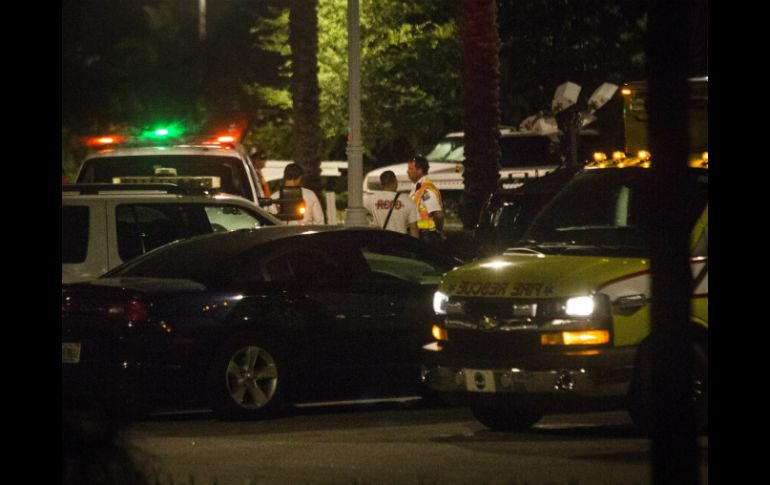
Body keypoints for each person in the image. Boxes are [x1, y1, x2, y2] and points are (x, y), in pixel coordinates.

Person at [363, 170, 419, 237]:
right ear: (396, 182)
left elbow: (356, 207)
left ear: (381, 184)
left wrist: (369, 226)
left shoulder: (370, 199)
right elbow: (414, 228)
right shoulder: (408, 202)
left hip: (381, 240)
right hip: (400, 241)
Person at [407, 155, 446, 248]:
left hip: (427, 237)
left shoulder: (426, 191)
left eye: (410, 168)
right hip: (421, 235)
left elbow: (439, 215)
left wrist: (438, 231)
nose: (407, 171)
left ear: (420, 170)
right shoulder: (417, 188)